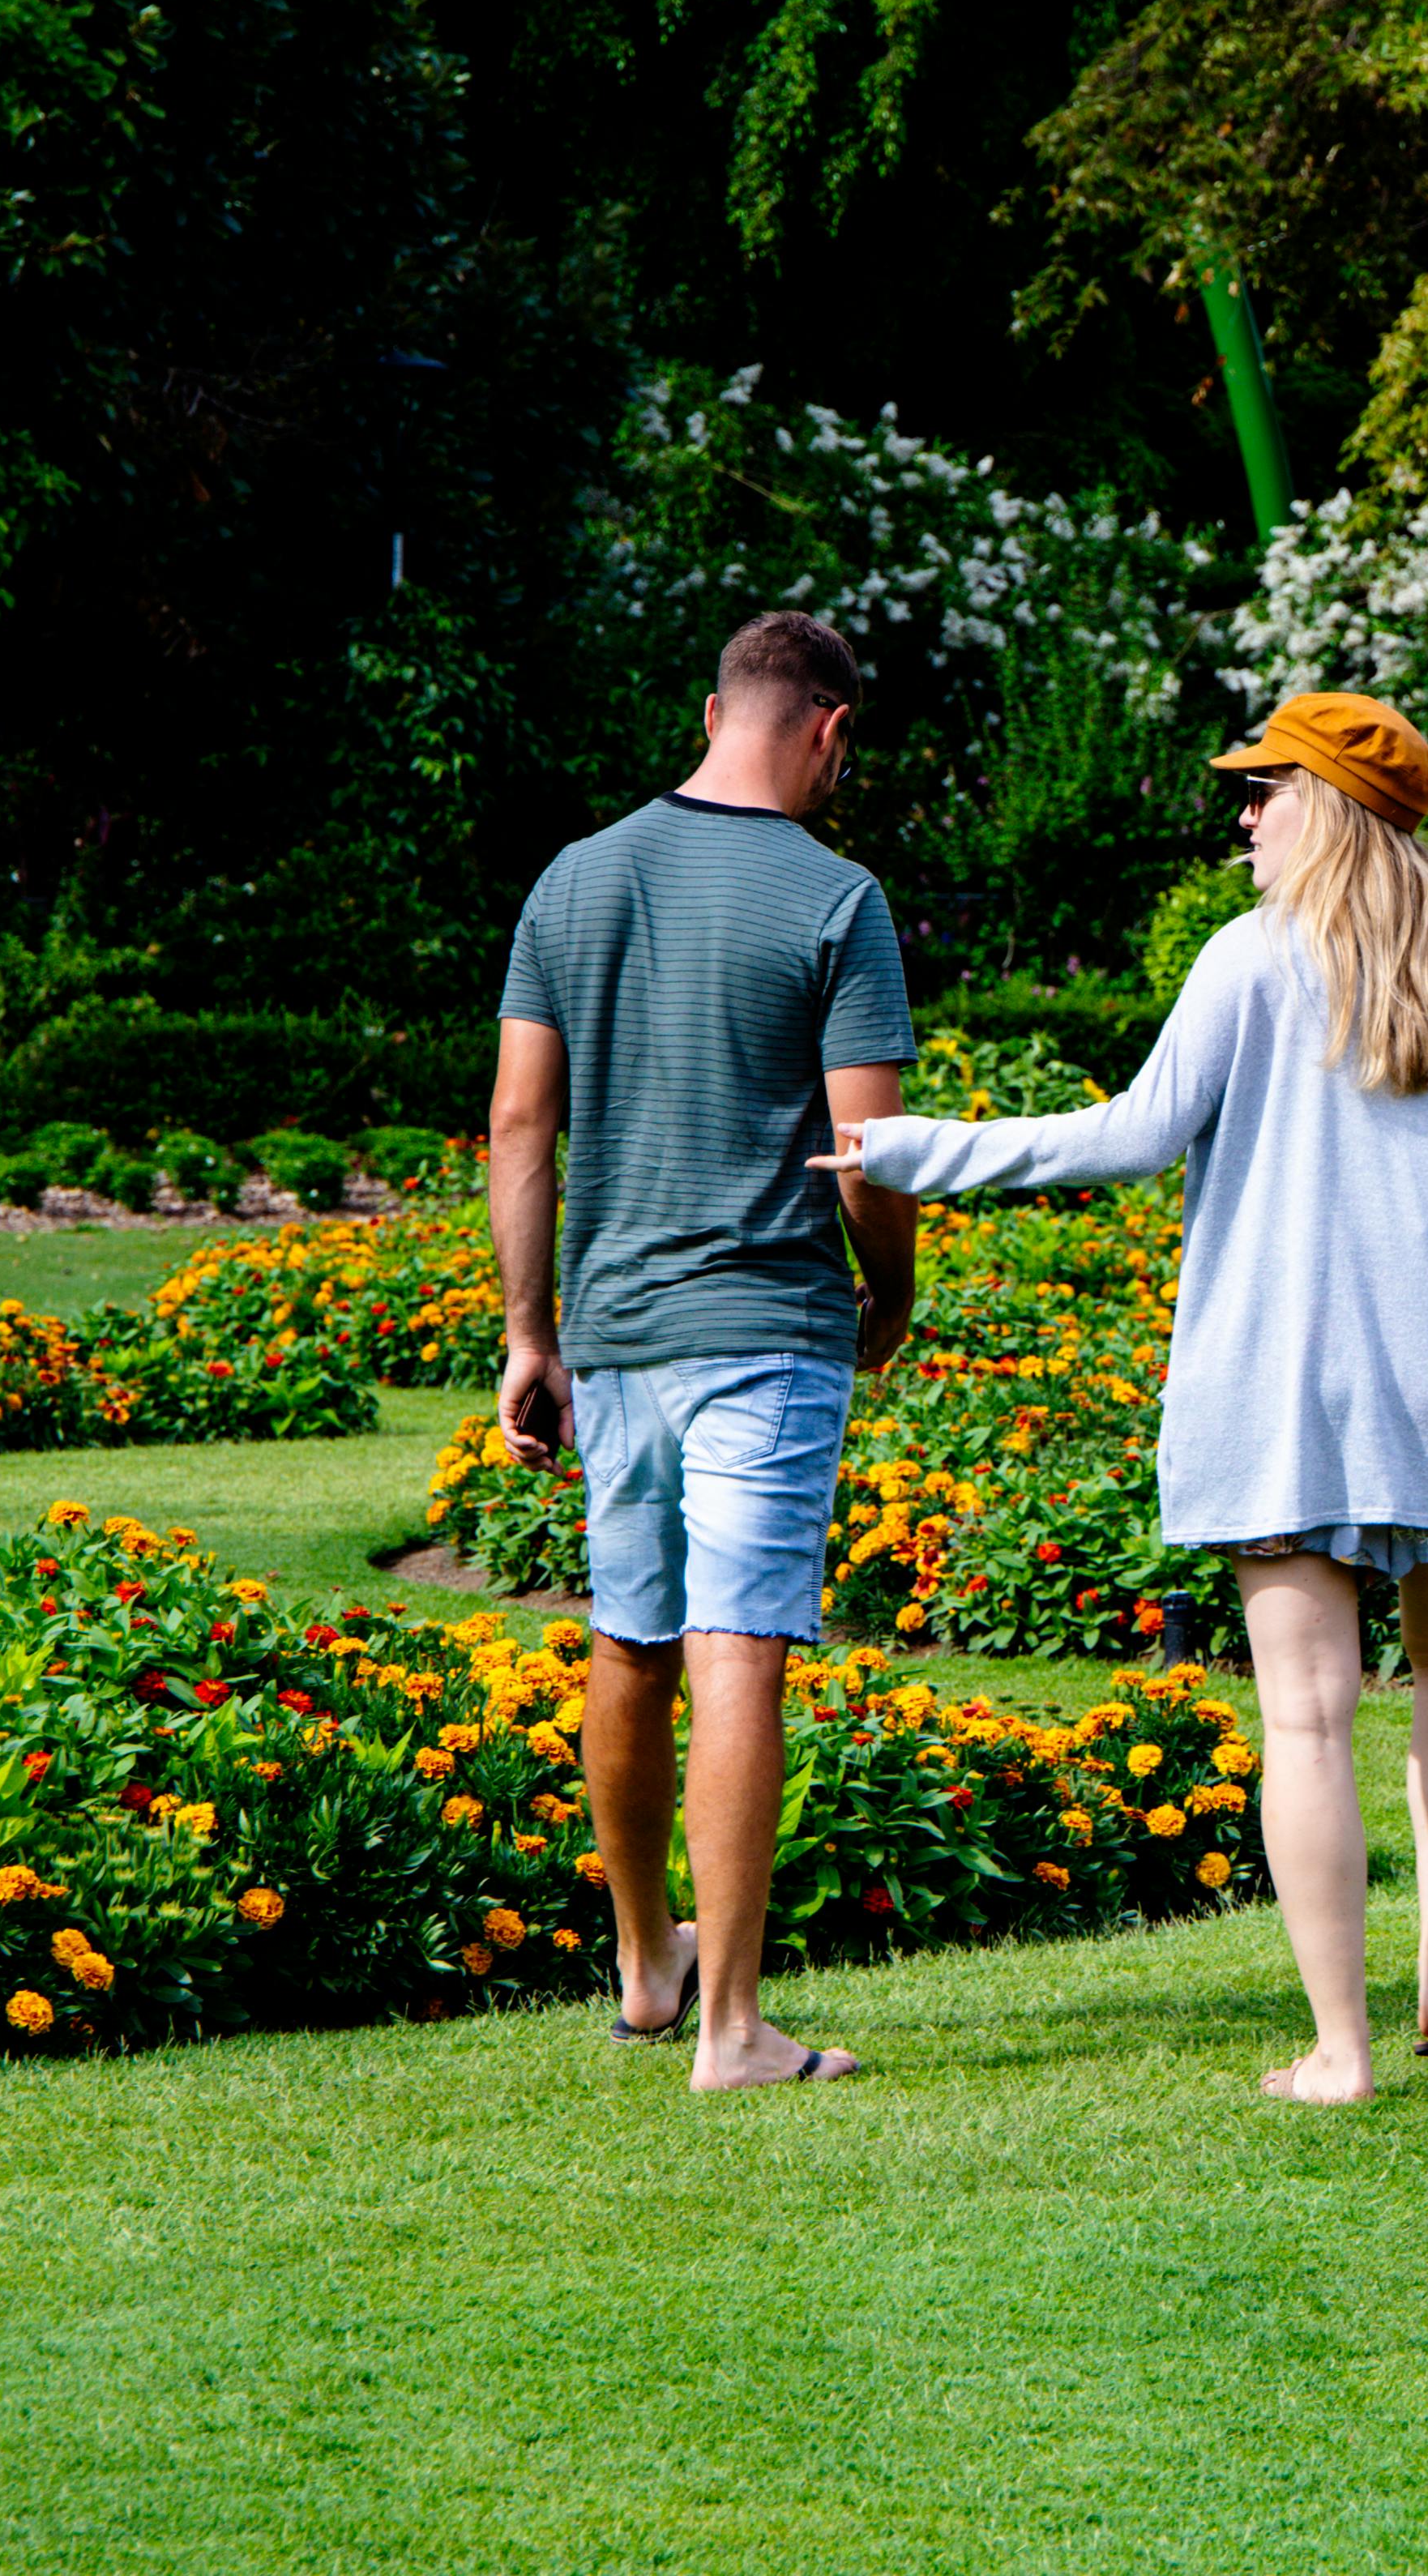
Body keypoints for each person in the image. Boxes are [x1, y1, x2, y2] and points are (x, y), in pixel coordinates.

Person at [821, 692, 1428, 2104]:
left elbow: (1125, 1139)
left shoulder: (1250, 959)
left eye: (1268, 789)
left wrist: (906, 1150)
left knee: (1306, 1718)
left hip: (1286, 1375)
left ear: (1336, 805)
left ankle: (1342, 2051)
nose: (1244, 817)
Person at [493, 609, 917, 2091]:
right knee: (742, 1643)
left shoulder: (575, 875)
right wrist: (892, 1291)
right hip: (769, 1325)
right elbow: (866, 1152)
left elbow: (518, 1126)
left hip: (612, 1334)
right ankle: (734, 2029)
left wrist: (528, 1332)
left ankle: (644, 1964)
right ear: (827, 729)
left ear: (715, 706)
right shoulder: (836, 898)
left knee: (631, 1634)